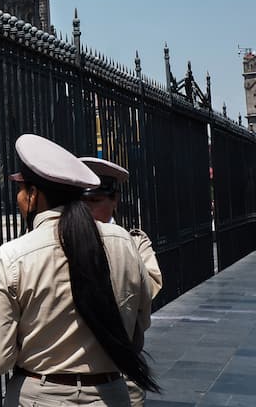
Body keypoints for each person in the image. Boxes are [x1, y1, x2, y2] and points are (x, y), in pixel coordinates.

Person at [0, 134, 159, 406]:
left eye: (20, 189)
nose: (18, 197)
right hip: (110, 394)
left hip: (39, 397)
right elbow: (140, 324)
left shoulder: (13, 256)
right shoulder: (123, 242)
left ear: (33, 195)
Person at [80, 157, 163, 406]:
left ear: (114, 200)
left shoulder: (134, 241)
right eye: (82, 202)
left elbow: (149, 289)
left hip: (121, 368)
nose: (87, 210)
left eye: (95, 201)